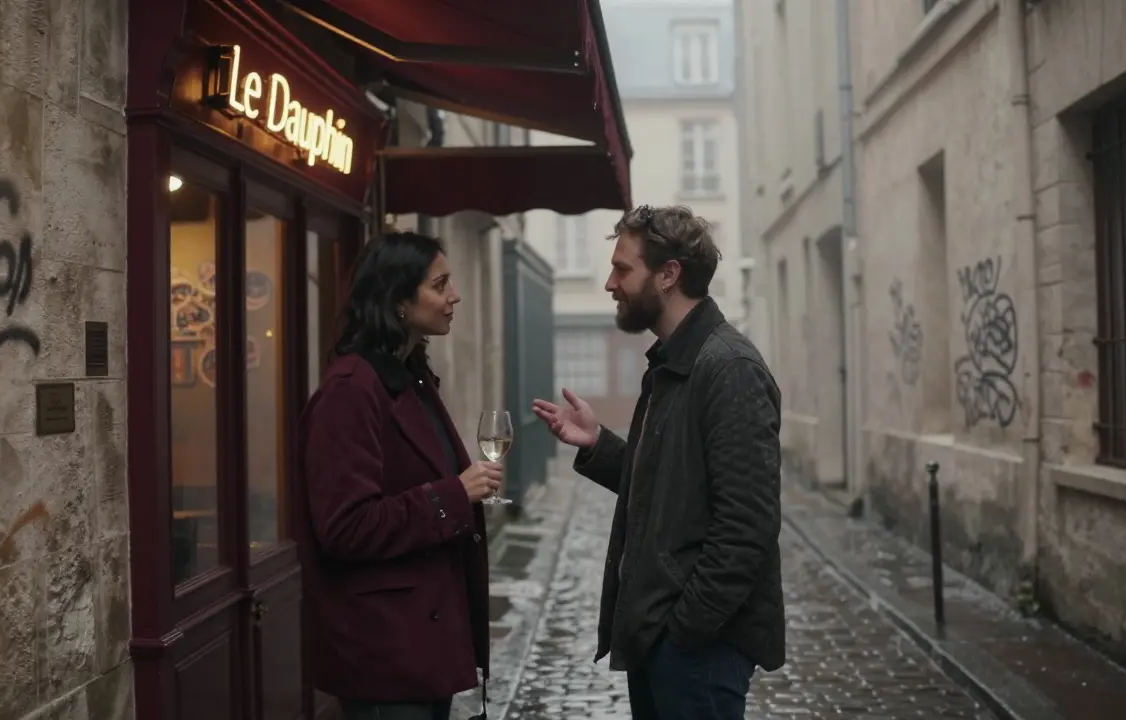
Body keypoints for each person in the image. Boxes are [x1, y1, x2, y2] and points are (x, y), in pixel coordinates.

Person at [532, 205, 785, 720]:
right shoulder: (672, 362)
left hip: (698, 652)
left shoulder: (728, 368)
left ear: (668, 274)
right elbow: (670, 484)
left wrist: (685, 630)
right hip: (663, 643)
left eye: (623, 269)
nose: (609, 283)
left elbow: (747, 527)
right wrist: (598, 444)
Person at [295, 231, 500, 720]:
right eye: (440, 284)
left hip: (421, 644)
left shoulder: (411, 378)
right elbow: (345, 527)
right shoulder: (351, 391)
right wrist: (454, 494)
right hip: (383, 653)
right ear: (399, 300)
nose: (454, 297)